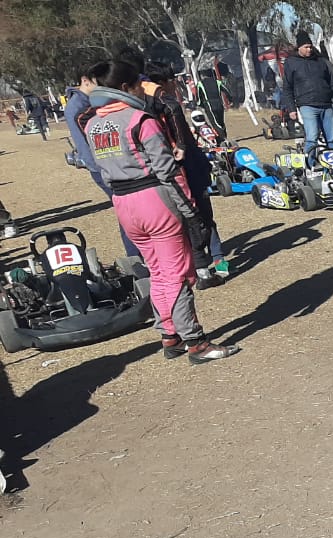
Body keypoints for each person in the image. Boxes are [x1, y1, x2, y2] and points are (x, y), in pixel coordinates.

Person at [83, 60, 238, 364]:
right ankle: (196, 342)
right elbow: (168, 171)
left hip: (123, 203)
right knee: (177, 273)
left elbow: (100, 169)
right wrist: (191, 210)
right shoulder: (141, 120)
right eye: (138, 85)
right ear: (126, 88)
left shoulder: (92, 125)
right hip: (155, 199)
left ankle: (170, 334)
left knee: (157, 272)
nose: (143, 90)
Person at [142, 61, 229, 284]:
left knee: (205, 216)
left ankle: (219, 258)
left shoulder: (159, 105)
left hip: (192, 167)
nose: (175, 86)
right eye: (172, 81)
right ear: (164, 82)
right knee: (191, 219)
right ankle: (200, 267)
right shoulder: (160, 103)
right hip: (178, 170)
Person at [66, 62, 143, 260]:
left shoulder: (85, 102)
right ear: (85, 81)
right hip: (102, 167)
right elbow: (88, 143)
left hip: (105, 165)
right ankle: (135, 254)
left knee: (128, 209)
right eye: (96, 82)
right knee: (127, 210)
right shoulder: (79, 107)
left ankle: (136, 253)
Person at [283, 31, 333, 154]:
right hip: (307, 105)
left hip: (326, 104)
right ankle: (310, 162)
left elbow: (332, 83)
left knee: (331, 138)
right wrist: (291, 109)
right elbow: (287, 87)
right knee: (312, 137)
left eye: (310, 47)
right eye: (306, 47)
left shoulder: (320, 61)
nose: (309, 49)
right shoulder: (291, 62)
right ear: (299, 47)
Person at [196, 68, 228, 140]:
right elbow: (226, 90)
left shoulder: (200, 84)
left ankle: (222, 138)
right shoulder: (217, 82)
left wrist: (200, 105)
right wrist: (230, 99)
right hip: (219, 104)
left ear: (203, 75)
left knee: (215, 123)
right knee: (221, 121)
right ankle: (224, 135)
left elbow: (199, 97)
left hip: (209, 104)